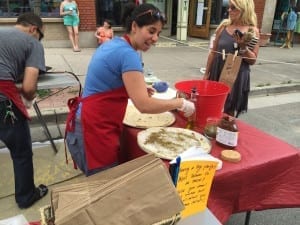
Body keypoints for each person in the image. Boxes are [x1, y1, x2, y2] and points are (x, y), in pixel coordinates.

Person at [65, 3, 195, 176]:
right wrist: (179, 103)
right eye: (151, 31)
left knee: (100, 184)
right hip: (94, 130)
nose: (155, 38)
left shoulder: (116, 44)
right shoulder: (128, 54)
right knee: (105, 188)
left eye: (158, 33)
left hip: (86, 122)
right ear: (134, 26)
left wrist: (135, 88)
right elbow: (144, 105)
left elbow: (107, 81)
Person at [0, 12, 48, 208]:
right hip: (4, 104)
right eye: (41, 35)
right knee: (21, 153)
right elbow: (29, 87)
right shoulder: (33, 43)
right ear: (33, 29)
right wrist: (27, 97)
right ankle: (26, 197)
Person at [203, 0, 260, 118]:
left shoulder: (252, 31)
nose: (229, 10)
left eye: (233, 7)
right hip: (218, 71)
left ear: (244, 9)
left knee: (229, 111)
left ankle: (224, 131)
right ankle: (211, 128)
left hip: (237, 75)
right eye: (229, 7)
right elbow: (213, 53)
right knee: (213, 105)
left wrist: (243, 47)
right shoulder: (223, 26)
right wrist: (206, 74)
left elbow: (253, 60)